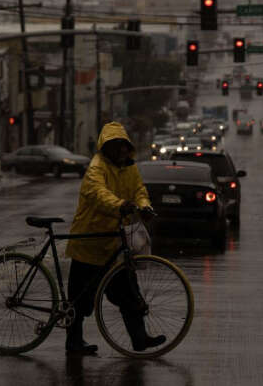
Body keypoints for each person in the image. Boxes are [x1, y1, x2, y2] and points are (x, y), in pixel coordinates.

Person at [65, 122, 166, 355]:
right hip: (89, 242)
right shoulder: (96, 168)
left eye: (122, 146)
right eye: (115, 146)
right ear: (106, 148)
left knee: (129, 293)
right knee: (79, 299)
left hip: (114, 244)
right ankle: (73, 343)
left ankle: (140, 338)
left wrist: (144, 206)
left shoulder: (130, 168)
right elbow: (98, 194)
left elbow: (139, 191)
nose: (120, 151)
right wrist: (120, 205)